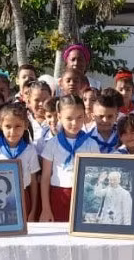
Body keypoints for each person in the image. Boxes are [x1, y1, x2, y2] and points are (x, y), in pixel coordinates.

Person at [39, 95, 99, 223]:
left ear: (85, 115)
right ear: (59, 117)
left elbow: (96, 176)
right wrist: (45, 208)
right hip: (59, 195)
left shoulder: (91, 144)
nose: (74, 123)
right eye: (69, 118)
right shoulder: (52, 144)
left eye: (79, 118)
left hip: (84, 197)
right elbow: (45, 178)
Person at [0, 103, 41, 221]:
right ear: (0, 125)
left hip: (23, 198)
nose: (13, 131)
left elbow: (34, 183)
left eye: (18, 126)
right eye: (8, 126)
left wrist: (33, 210)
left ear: (25, 126)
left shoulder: (29, 150)